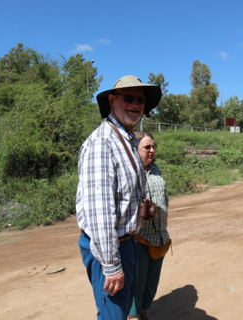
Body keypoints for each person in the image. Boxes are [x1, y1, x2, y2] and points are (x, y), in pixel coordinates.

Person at [76, 75, 162, 320]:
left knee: (122, 311)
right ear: (112, 101)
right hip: (109, 248)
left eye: (140, 99)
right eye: (128, 98)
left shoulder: (125, 139)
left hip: (128, 243)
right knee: (112, 314)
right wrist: (112, 267)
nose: (135, 104)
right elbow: (100, 213)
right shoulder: (103, 144)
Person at [128, 132, 171, 320]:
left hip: (159, 236)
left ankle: (144, 313)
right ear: (136, 149)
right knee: (136, 283)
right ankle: (133, 316)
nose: (152, 151)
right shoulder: (129, 170)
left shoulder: (156, 169)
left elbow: (164, 197)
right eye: (147, 147)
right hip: (138, 238)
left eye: (153, 147)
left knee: (151, 282)